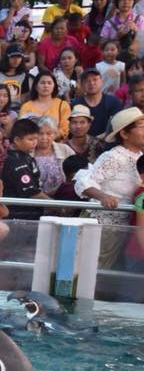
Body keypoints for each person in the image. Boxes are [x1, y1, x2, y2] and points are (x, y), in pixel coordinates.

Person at [75, 107, 144, 267]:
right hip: (101, 224)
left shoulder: (140, 157)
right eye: (141, 126)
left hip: (123, 227)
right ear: (124, 134)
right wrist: (103, 197)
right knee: (88, 268)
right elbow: (84, 182)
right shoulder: (113, 156)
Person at [72, 69, 122, 138]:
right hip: (82, 141)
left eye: (95, 79)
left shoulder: (113, 102)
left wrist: (98, 139)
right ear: (82, 84)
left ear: (101, 81)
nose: (91, 83)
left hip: (108, 141)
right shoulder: (76, 104)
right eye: (87, 81)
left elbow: (117, 126)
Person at [21, 71, 71, 139]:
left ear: (54, 86)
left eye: (49, 83)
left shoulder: (63, 105)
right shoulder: (26, 107)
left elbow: (64, 130)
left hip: (56, 142)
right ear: (36, 86)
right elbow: (22, 129)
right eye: (42, 83)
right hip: (33, 143)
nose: (46, 86)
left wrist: (48, 138)